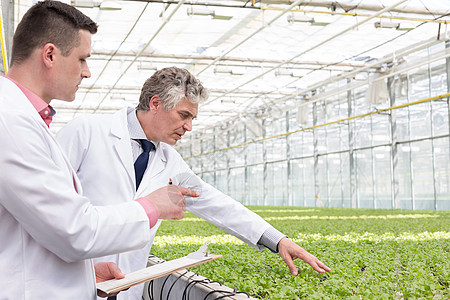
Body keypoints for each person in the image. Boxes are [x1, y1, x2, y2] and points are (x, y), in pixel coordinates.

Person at [57, 66, 331, 299]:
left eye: (192, 118)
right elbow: (47, 207)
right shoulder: (87, 132)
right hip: (68, 283)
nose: (189, 127)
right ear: (155, 104)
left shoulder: (168, 160)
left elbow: (216, 203)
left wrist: (278, 240)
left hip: (127, 287)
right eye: (184, 115)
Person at [0, 2, 198, 299]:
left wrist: (83, 271)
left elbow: (34, 228)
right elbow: (75, 229)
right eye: (82, 59)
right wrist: (151, 207)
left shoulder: (22, 117)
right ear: (50, 55)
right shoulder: (10, 120)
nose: (87, 72)